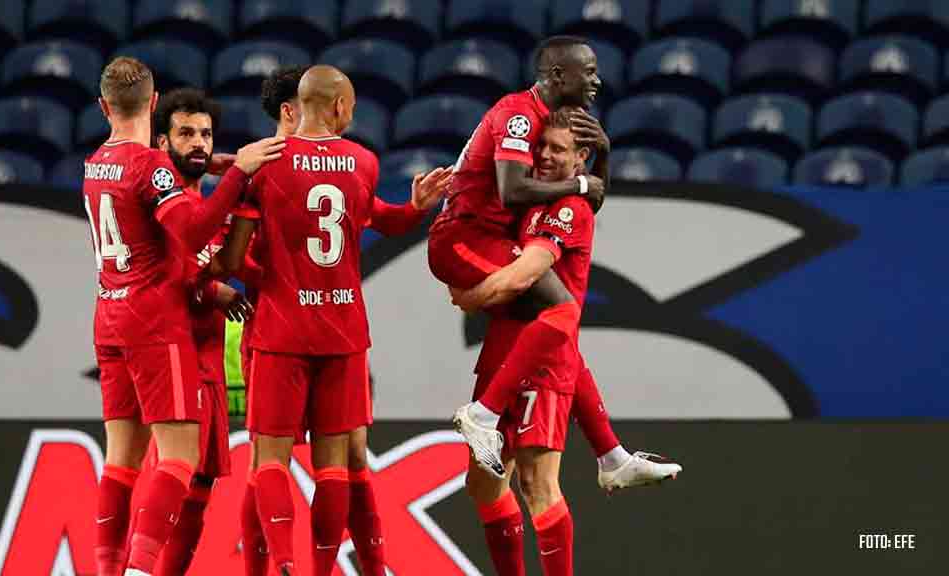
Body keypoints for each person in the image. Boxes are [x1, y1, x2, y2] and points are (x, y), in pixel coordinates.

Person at [220, 65, 448, 576]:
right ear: (340, 106)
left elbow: (234, 262)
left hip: (279, 328)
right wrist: (415, 209)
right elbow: (380, 218)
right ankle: (326, 569)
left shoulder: (262, 165)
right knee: (335, 465)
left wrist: (260, 274)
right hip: (343, 331)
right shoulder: (363, 161)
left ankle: (282, 563)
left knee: (269, 461)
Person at [451, 110, 682, 575]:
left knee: (539, 486)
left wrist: (472, 296)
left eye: (557, 150)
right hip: (504, 350)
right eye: (540, 147)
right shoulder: (537, 198)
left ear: (580, 159)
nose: (544, 157)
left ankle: (606, 456)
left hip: (541, 359)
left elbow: (528, 273)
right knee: (483, 485)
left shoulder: (569, 209)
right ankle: (611, 456)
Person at [84, 56, 283, 576]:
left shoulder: (95, 163)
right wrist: (239, 172)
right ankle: (142, 570)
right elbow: (192, 233)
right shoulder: (150, 169)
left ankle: (109, 569)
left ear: (104, 107)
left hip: (111, 315)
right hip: (157, 322)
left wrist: (213, 167)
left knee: (121, 461)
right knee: (178, 457)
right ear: (153, 106)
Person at [427, 36, 609, 477]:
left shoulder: (554, 120)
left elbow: (593, 199)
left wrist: (602, 155)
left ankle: (611, 455)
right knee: (563, 309)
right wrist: (580, 184)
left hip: (489, 238)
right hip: (463, 236)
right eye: (587, 73)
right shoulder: (518, 115)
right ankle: (484, 414)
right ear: (557, 76)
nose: (596, 81)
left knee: (560, 324)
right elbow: (512, 191)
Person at [125, 87, 256, 576]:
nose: (198, 143)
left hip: (207, 353)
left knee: (200, 485)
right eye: (185, 134)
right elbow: (168, 276)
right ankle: (137, 567)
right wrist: (212, 291)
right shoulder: (163, 199)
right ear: (163, 142)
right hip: (172, 346)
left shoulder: (207, 198)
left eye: (204, 134)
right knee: (173, 467)